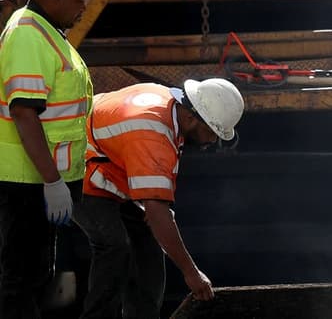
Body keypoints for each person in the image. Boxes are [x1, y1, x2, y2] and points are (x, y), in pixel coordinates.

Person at [72, 78, 244, 318]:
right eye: (212, 131)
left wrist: (155, 209)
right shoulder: (151, 131)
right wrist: (191, 273)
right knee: (114, 245)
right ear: (191, 118)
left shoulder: (170, 104)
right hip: (76, 170)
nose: (213, 140)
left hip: (106, 168)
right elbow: (156, 211)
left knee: (148, 245)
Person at [0, 0, 98, 318]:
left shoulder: (44, 30)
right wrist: (52, 180)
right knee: (22, 279)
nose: (84, 7)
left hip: (37, 180)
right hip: (27, 181)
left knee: (36, 277)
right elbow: (25, 113)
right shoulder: (28, 34)